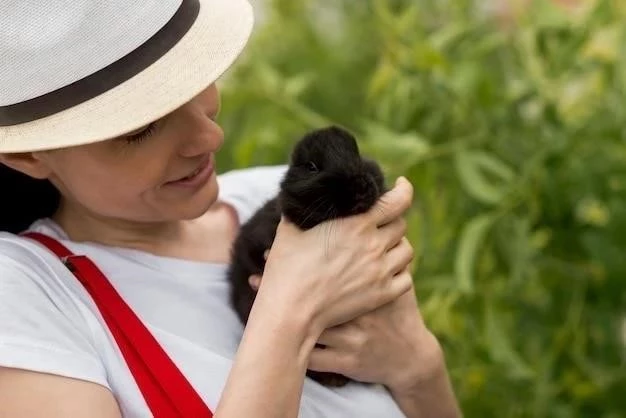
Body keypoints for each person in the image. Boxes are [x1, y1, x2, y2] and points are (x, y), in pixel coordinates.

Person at [0, 0, 461, 417]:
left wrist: (418, 366)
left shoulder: (278, 201)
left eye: (196, 81)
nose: (209, 138)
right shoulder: (29, 296)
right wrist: (290, 307)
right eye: (143, 128)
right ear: (29, 155)